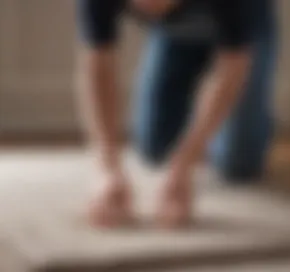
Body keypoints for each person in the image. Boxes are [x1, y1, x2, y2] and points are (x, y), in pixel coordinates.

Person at [76, 0, 275, 228]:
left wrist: (184, 166)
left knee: (238, 162)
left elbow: (233, 66)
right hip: (173, 34)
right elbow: (97, 63)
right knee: (155, 147)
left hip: (245, 27)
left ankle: (254, 122)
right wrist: (107, 168)